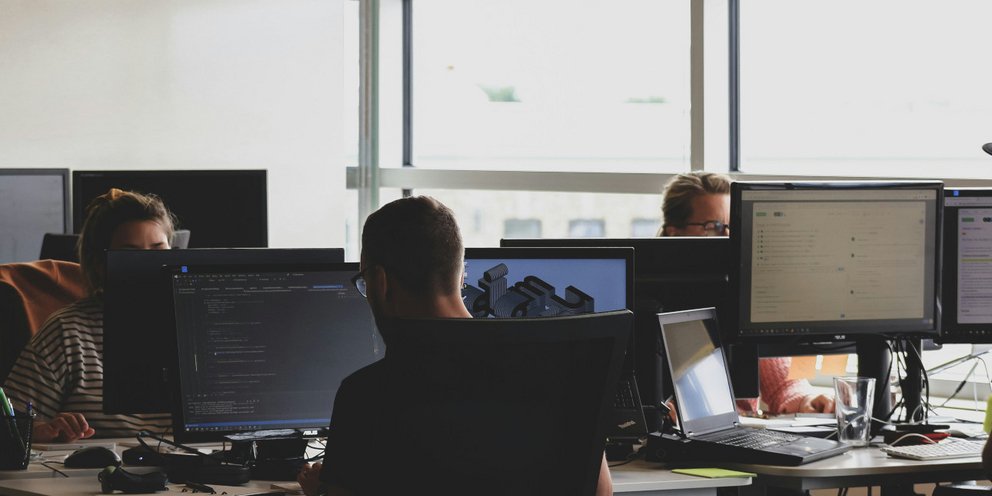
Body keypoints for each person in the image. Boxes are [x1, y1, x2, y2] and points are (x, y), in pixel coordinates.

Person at [298, 196, 613, 496]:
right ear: (462, 275)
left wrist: (323, 489)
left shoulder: (365, 397)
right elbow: (600, 491)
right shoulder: (556, 369)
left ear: (381, 282)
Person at [2, 188, 176, 442]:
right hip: (103, 464)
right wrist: (43, 430)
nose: (148, 265)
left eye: (158, 251)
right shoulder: (67, 331)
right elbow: (10, 428)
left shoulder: (197, 323)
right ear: (98, 264)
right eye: (130, 254)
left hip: (199, 461)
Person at [659, 171, 833, 414]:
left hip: (737, 432)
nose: (729, 237)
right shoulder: (648, 296)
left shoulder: (745, 291)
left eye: (734, 227)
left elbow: (783, 383)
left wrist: (806, 399)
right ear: (674, 231)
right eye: (714, 227)